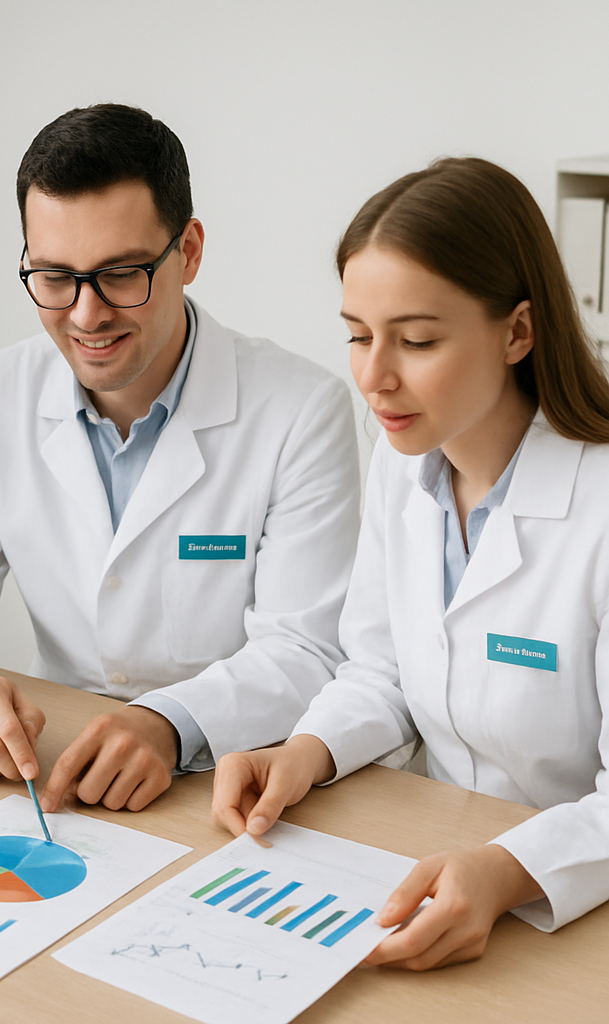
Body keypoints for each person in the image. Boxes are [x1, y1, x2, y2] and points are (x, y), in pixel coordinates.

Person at [0, 103, 360, 812]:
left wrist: (168, 723)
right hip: (55, 759)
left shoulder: (300, 409)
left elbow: (306, 649)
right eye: (54, 277)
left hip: (221, 772)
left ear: (188, 252)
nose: (85, 315)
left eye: (121, 274)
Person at [212, 156, 609, 968]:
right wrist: (305, 750)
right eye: (358, 336)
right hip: (437, 854)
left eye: (417, 340)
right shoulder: (405, 462)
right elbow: (381, 667)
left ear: (517, 332)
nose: (372, 376)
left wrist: (505, 871)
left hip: (570, 910)